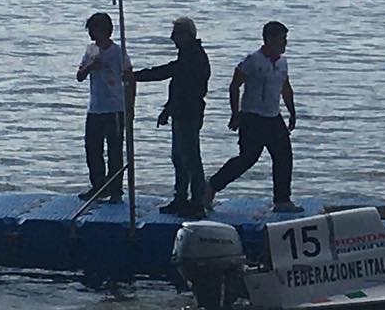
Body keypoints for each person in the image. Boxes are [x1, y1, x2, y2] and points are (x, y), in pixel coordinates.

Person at [207, 20, 300, 213]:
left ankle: (282, 200)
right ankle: (210, 187)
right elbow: (234, 86)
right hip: (252, 118)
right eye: (281, 39)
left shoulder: (282, 63)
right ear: (269, 39)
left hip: (274, 117)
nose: (285, 43)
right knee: (247, 159)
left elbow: (286, 88)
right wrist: (235, 114)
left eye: (285, 39)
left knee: (284, 156)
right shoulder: (253, 60)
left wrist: (292, 112)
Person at [128, 16, 211, 217]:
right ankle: (181, 198)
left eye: (176, 34)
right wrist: (167, 110)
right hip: (181, 111)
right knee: (179, 158)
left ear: (186, 35)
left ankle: (197, 202)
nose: (172, 38)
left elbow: (168, 72)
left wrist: (137, 76)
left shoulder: (194, 57)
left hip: (189, 113)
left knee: (190, 159)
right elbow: (177, 85)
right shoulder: (187, 55)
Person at [75, 11, 128, 203]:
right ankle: (98, 186)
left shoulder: (117, 52)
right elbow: (79, 76)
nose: (91, 34)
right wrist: (90, 67)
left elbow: (129, 76)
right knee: (92, 148)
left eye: (93, 30)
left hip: (114, 107)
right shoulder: (91, 51)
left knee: (114, 150)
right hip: (95, 107)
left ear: (104, 30)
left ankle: (115, 189)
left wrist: (130, 107)